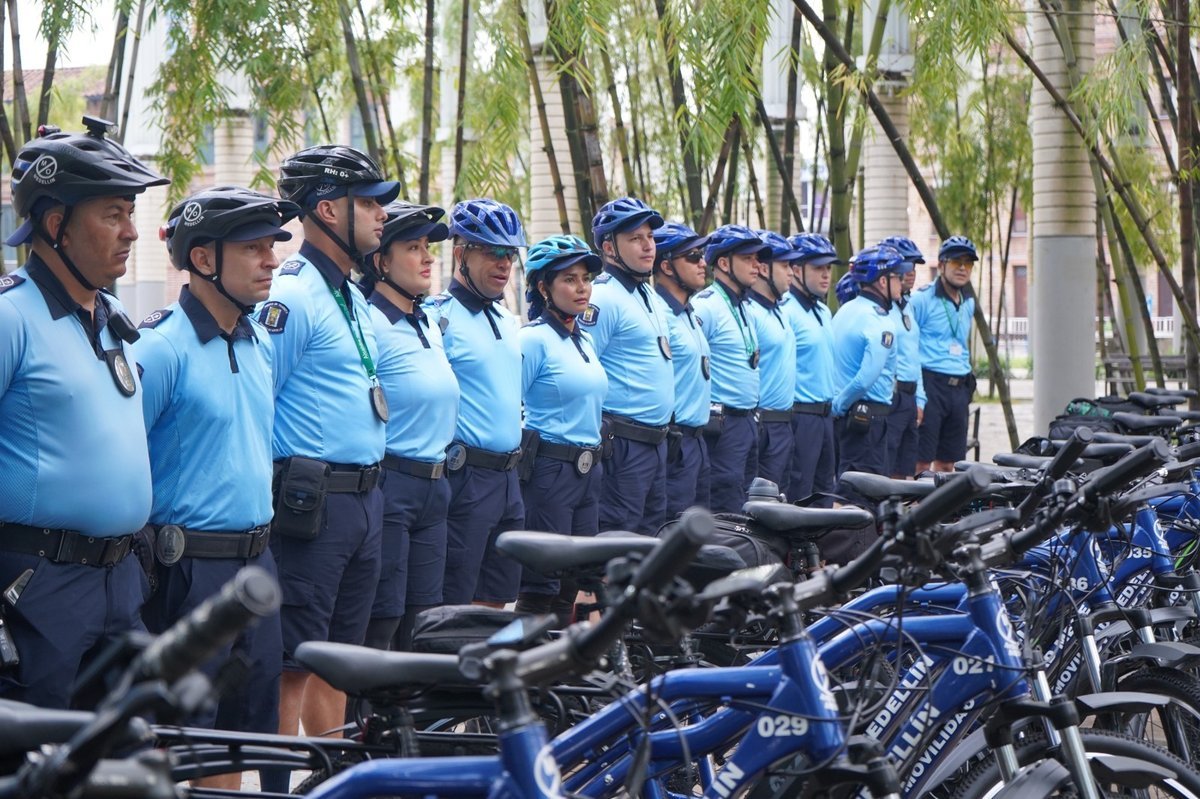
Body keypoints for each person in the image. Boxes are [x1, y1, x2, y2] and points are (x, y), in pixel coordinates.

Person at [0, 117, 168, 708]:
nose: (131, 232)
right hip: (38, 587)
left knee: (131, 757)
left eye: (131, 214)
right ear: (56, 225)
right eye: (113, 214)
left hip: (121, 583)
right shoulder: (11, 318)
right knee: (38, 768)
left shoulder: (105, 318)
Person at [136, 187, 296, 788]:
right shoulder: (160, 347)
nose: (271, 261)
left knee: (246, 739)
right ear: (204, 260)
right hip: (187, 572)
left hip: (257, 564)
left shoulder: (258, 343)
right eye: (253, 249)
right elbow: (130, 460)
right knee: (187, 742)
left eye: (271, 248)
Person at [259, 144, 396, 742]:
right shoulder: (293, 294)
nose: (381, 215)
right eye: (367, 203)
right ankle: (279, 779)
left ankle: (328, 774)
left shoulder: (350, 295)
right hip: (310, 502)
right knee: (293, 660)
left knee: (339, 654)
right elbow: (258, 402)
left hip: (364, 498)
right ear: (326, 209)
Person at [362, 202, 459, 651]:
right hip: (392, 482)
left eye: (428, 247)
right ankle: (366, 721)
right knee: (382, 619)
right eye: (413, 248)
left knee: (425, 620)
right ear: (381, 261)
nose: (427, 258)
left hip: (435, 484)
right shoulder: (370, 322)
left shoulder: (429, 321)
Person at [423, 199, 525, 607]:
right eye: (493, 252)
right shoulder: (437, 319)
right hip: (465, 478)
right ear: (460, 252)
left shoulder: (507, 319)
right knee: (455, 602)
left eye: (511, 254)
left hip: (510, 478)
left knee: (498, 600)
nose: (504, 264)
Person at [513, 235, 608, 622]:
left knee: (572, 582)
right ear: (543, 286)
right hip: (550, 469)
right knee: (541, 585)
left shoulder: (583, 339)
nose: (582, 287)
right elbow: (510, 403)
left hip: (588, 471)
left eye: (585, 278)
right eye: (569, 279)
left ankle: (559, 671)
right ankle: (522, 672)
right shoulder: (533, 340)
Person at [581, 197, 673, 534]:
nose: (648, 246)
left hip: (656, 442)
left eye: (650, 237)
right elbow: (585, 368)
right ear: (609, 247)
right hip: (624, 443)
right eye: (636, 239)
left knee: (650, 539)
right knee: (618, 537)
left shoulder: (646, 294)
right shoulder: (603, 297)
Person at [692, 224, 771, 513]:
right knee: (725, 502)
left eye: (757, 258)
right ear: (723, 263)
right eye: (748, 258)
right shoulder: (706, 306)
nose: (757, 265)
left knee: (747, 501)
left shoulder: (744, 306)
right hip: (722, 424)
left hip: (748, 421)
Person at [830, 245, 909, 494]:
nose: (902, 281)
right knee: (865, 495)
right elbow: (866, 377)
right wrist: (839, 406)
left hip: (847, 419)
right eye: (897, 276)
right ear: (881, 280)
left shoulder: (845, 310)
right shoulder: (880, 320)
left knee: (845, 487)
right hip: (867, 419)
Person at [652, 221, 712, 517]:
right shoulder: (658, 314)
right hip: (675, 441)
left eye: (702, 255)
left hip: (698, 440)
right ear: (666, 266)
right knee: (674, 531)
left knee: (701, 535)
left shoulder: (689, 312)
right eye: (693, 257)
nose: (703, 263)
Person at [908, 235, 978, 473]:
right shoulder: (921, 300)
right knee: (921, 460)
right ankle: (918, 509)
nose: (962, 267)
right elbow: (908, 343)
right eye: (956, 261)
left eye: (968, 263)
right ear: (941, 265)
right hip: (931, 384)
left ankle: (945, 509)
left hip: (959, 387)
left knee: (951, 462)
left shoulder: (968, 303)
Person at [782, 233, 840, 503]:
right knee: (801, 494)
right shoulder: (786, 310)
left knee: (825, 492)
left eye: (828, 268)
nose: (826, 275)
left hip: (826, 416)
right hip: (801, 416)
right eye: (818, 268)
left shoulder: (823, 311)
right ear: (795, 269)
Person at [746, 230, 801, 495]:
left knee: (783, 499)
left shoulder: (780, 309)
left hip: (784, 423)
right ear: (764, 268)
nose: (791, 271)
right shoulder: (749, 312)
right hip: (762, 425)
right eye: (785, 264)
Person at [878, 235, 927, 480]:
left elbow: (913, 354)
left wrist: (920, 398)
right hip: (890, 397)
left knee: (905, 471)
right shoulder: (880, 308)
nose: (911, 272)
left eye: (914, 266)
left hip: (909, 396)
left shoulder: (907, 306)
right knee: (884, 468)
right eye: (905, 265)